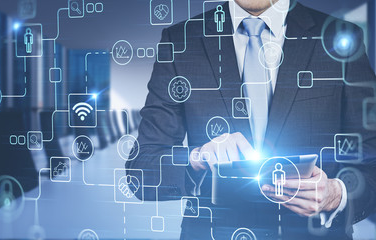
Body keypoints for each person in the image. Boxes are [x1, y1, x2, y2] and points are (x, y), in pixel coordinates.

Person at [126, 0, 376, 239]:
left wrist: (337, 193)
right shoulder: (181, 40)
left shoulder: (339, 37)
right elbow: (142, 169)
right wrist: (198, 157)